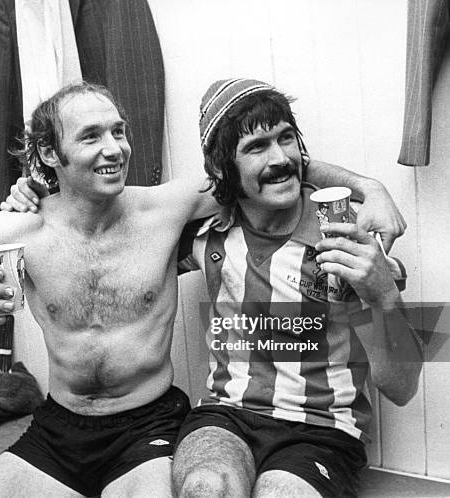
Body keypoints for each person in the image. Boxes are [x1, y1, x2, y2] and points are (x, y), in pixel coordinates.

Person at [0, 81, 406, 498]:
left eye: (119, 131)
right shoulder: (18, 230)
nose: (114, 148)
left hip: (150, 426)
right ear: (50, 152)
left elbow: (265, 167)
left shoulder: (166, 212)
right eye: (92, 136)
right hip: (60, 427)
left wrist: (371, 188)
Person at [169, 79, 422, 498]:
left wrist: (382, 295)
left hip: (320, 430)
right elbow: (118, 236)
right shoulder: (206, 234)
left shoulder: (343, 230)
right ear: (222, 169)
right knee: (205, 488)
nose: (281, 158)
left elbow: (402, 387)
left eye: (286, 138)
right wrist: (28, 202)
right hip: (225, 415)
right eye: (256, 147)